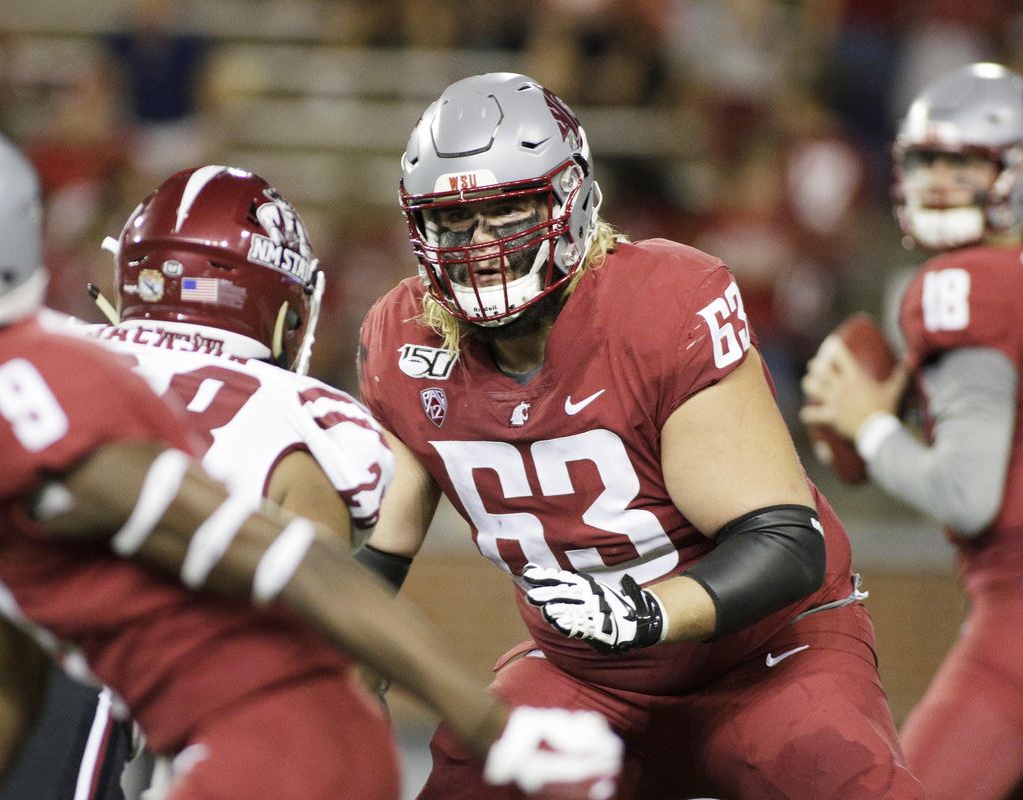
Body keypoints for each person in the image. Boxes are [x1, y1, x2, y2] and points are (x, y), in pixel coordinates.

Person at [0, 103, 623, 800]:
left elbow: (292, 571)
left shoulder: (48, 399)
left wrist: (494, 727)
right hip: (130, 714)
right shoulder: (3, 404)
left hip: (262, 744)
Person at [356, 71, 922, 799]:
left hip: (763, 658)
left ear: (571, 198)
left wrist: (643, 610)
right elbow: (371, 565)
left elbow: (784, 541)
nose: (482, 246)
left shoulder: (660, 306)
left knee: (844, 777)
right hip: (586, 674)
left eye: (508, 213)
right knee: (474, 781)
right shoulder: (403, 342)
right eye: (455, 222)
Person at [800, 61, 1023, 800]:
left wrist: (870, 429)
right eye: (926, 160)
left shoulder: (967, 286)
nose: (936, 180)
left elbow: (967, 495)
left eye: (962, 161)